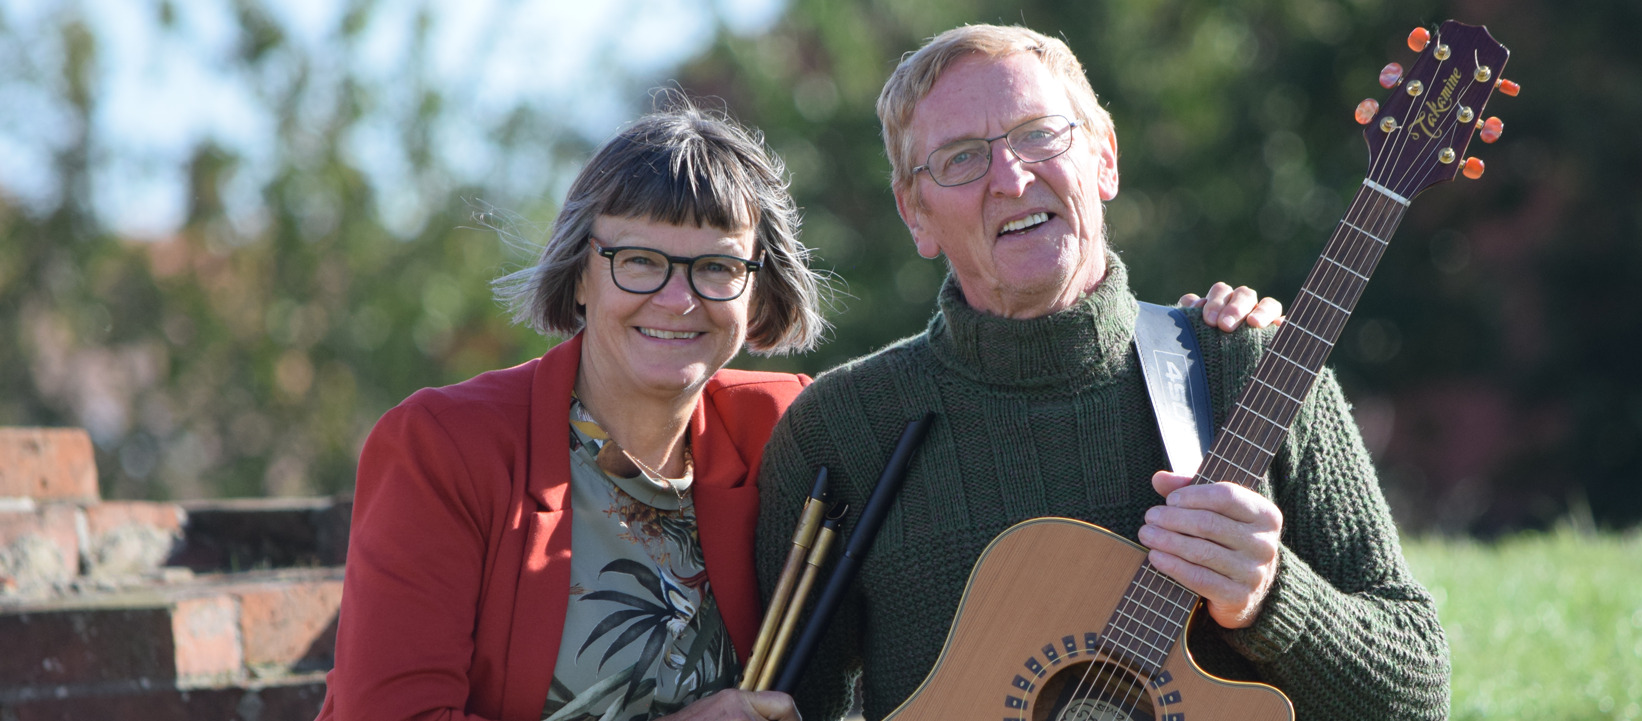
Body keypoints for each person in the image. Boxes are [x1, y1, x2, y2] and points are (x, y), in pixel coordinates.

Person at [317, 96, 1280, 721]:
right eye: (639, 261)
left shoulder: (795, 428)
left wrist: (1190, 336)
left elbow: (994, 450)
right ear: (580, 275)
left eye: (716, 268)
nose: (677, 298)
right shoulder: (445, 445)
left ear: (760, 292)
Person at [753, 24, 1449, 721]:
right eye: (962, 158)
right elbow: (782, 708)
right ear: (916, 213)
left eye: (1038, 134)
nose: (1013, 177)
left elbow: (1418, 694)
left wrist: (1273, 597)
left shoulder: (1254, 366)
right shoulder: (843, 429)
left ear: (1105, 158)